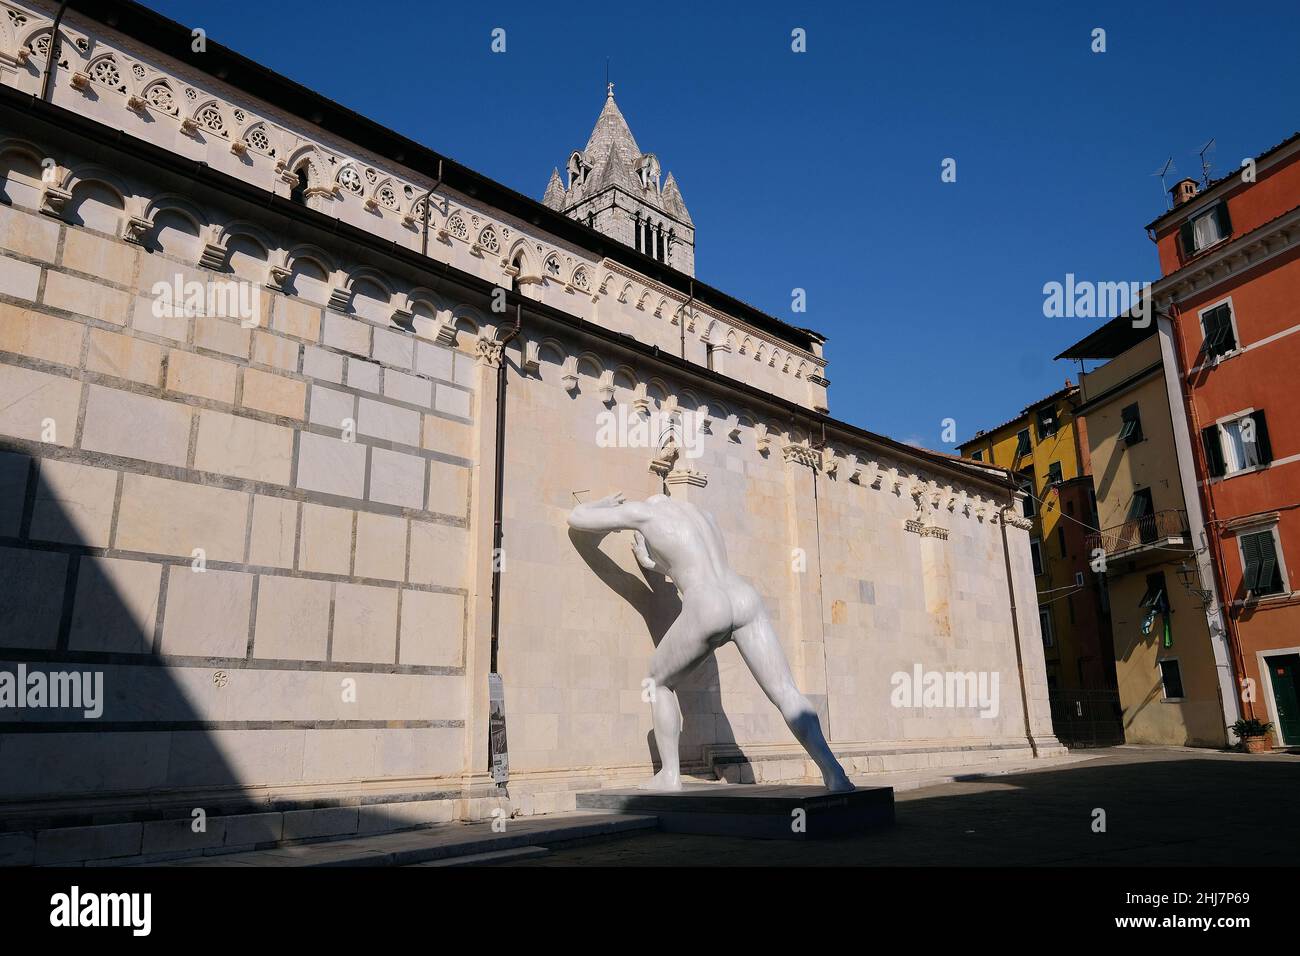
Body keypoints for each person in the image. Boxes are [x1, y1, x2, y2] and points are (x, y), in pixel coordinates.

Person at [567, 492, 854, 792]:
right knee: (786, 691)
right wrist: (654, 565)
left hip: (707, 604)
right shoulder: (705, 518)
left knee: (657, 682)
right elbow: (688, 564)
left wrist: (606, 506)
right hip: (744, 597)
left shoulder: (645, 514)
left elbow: (577, 518)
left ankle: (669, 775)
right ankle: (835, 773)